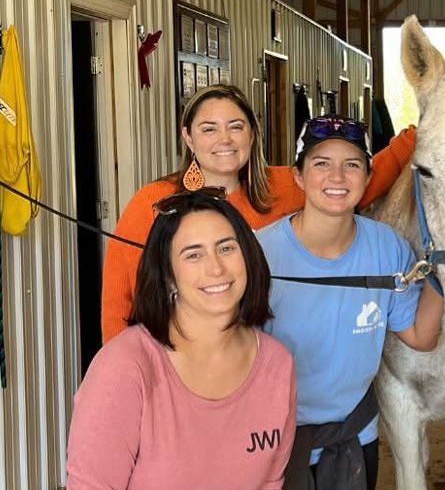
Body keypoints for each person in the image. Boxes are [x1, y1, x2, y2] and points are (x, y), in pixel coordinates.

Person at [44, 190, 297, 490]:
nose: (216, 268)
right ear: (168, 276)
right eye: (193, 254)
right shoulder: (126, 369)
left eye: (227, 247)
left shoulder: (276, 366)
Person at [250, 116, 444, 490]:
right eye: (322, 163)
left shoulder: (386, 250)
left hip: (349, 447)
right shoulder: (261, 254)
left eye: (353, 164)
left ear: (366, 176)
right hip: (271, 452)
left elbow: (421, 336)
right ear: (300, 173)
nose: (337, 176)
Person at [101, 83, 416, 343]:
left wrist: (421, 133)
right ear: (188, 137)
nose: (225, 139)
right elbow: (119, 300)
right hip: (177, 361)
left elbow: (353, 185)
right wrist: (121, 373)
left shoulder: (282, 186)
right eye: (209, 129)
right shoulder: (154, 202)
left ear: (251, 134)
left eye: (235, 127)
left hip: (256, 359)